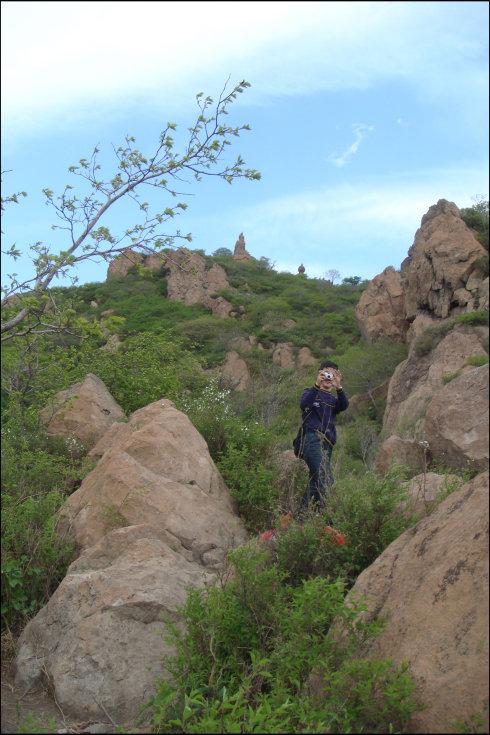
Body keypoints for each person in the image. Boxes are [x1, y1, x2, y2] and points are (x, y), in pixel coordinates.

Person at [298, 360, 349, 516]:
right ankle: (327, 517)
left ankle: (302, 517)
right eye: (326, 373)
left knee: (315, 480)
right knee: (325, 477)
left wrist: (339, 387)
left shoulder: (334, 401)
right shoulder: (310, 392)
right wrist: (317, 385)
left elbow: (344, 405)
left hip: (327, 445)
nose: (328, 377)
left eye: (332, 374)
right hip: (312, 439)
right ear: (319, 374)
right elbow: (304, 403)